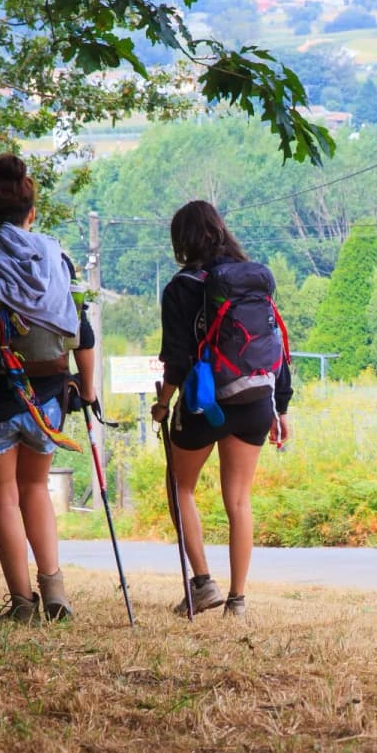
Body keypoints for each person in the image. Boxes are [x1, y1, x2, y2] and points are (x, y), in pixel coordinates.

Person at [0, 153, 97, 622]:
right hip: (48, 399)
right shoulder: (59, 259)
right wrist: (87, 395)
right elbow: (82, 334)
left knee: (3, 498)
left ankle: (22, 604)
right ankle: (56, 593)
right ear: (33, 212)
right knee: (35, 488)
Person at [149, 201, 293, 620]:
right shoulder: (252, 281)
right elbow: (278, 346)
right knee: (239, 500)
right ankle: (239, 600)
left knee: (181, 486)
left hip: (203, 402)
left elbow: (176, 359)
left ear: (182, 241)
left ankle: (202, 584)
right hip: (255, 399)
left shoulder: (181, 286)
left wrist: (163, 404)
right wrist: (281, 406)